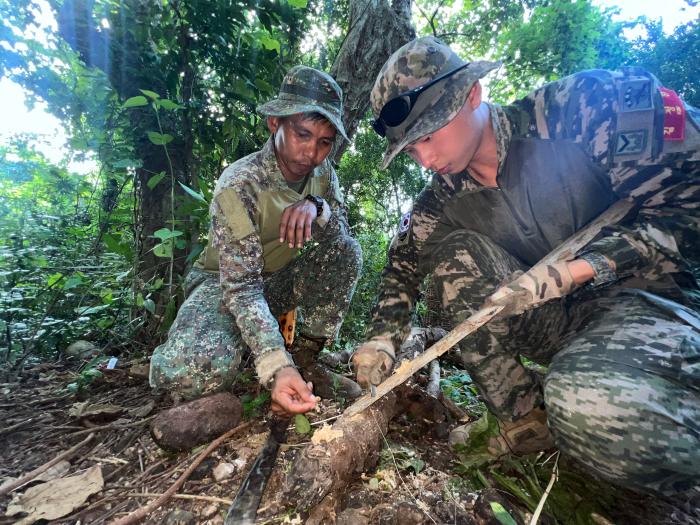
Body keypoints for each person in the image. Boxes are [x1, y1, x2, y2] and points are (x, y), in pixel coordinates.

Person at [352, 36, 699, 496]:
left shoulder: (584, 109)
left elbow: (687, 206)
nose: (427, 160)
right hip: (559, 324)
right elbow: (402, 269)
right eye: (412, 151)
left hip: (648, 305)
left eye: (430, 136)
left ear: (472, 94)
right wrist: (381, 339)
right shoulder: (439, 202)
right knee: (455, 257)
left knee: (587, 406)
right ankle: (527, 421)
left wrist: (584, 268)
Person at [150, 65, 363, 416]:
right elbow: (242, 286)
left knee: (346, 251)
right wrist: (275, 364)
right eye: (302, 135)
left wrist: (317, 207)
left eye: (324, 143)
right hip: (223, 284)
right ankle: (253, 355)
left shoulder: (323, 175)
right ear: (275, 124)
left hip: (278, 281)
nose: (311, 153)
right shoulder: (238, 185)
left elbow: (340, 234)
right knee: (189, 376)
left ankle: (304, 360)